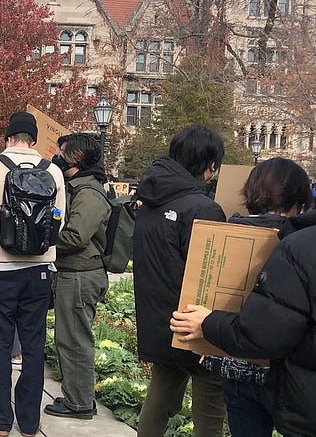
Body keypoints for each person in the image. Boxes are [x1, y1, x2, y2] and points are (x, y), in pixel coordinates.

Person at [169, 158, 313, 437]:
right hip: (283, 369)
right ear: (299, 196)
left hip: (232, 361)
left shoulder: (226, 231)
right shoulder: (304, 241)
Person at [0, 111, 66, 437]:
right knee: (33, 345)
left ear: (8, 137)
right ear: (34, 139)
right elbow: (58, 220)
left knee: (0, 342)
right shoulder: (53, 171)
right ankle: (30, 422)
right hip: (39, 269)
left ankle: (1, 420)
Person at [134, 125, 227, 437]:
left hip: (162, 321)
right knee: (210, 411)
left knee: (159, 399)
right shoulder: (203, 208)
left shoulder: (149, 200)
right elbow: (212, 275)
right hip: (195, 324)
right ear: (210, 166)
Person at [44, 134, 110, 420]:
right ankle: (77, 397)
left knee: (75, 341)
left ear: (77, 160)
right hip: (73, 273)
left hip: (81, 276)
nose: (58, 157)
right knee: (67, 339)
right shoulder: (78, 188)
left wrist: (43, 243)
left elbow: (76, 236)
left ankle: (80, 403)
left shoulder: (89, 193)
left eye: (63, 154)